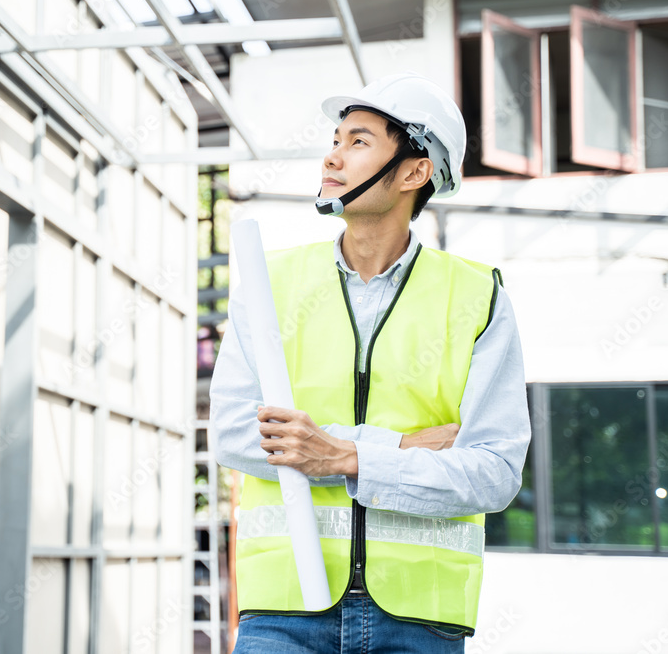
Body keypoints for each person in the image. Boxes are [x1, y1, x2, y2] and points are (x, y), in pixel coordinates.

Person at [209, 73, 532, 653]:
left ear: (414, 171)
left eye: (358, 142)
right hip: (285, 610)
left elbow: (495, 472)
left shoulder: (478, 296)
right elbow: (234, 434)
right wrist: (398, 449)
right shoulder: (269, 283)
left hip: (420, 619)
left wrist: (347, 456)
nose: (332, 156)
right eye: (335, 140)